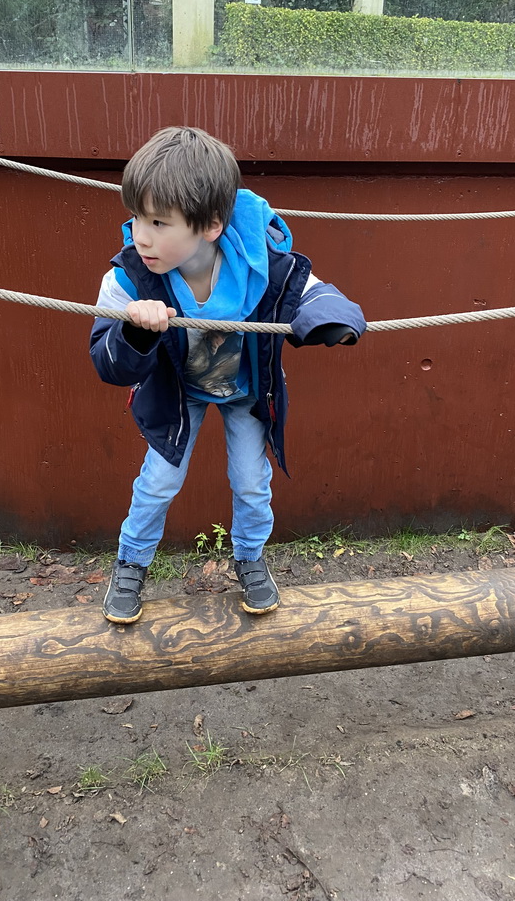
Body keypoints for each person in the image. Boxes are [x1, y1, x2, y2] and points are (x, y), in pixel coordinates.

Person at [89, 127, 365, 624]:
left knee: (251, 482)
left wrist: (334, 324)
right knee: (158, 482)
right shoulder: (131, 276)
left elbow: (315, 293)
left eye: (157, 222)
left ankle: (250, 558)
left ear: (211, 225)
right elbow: (106, 361)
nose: (140, 235)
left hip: (244, 390)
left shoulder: (261, 261)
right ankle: (130, 563)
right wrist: (136, 330)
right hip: (179, 392)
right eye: (135, 216)